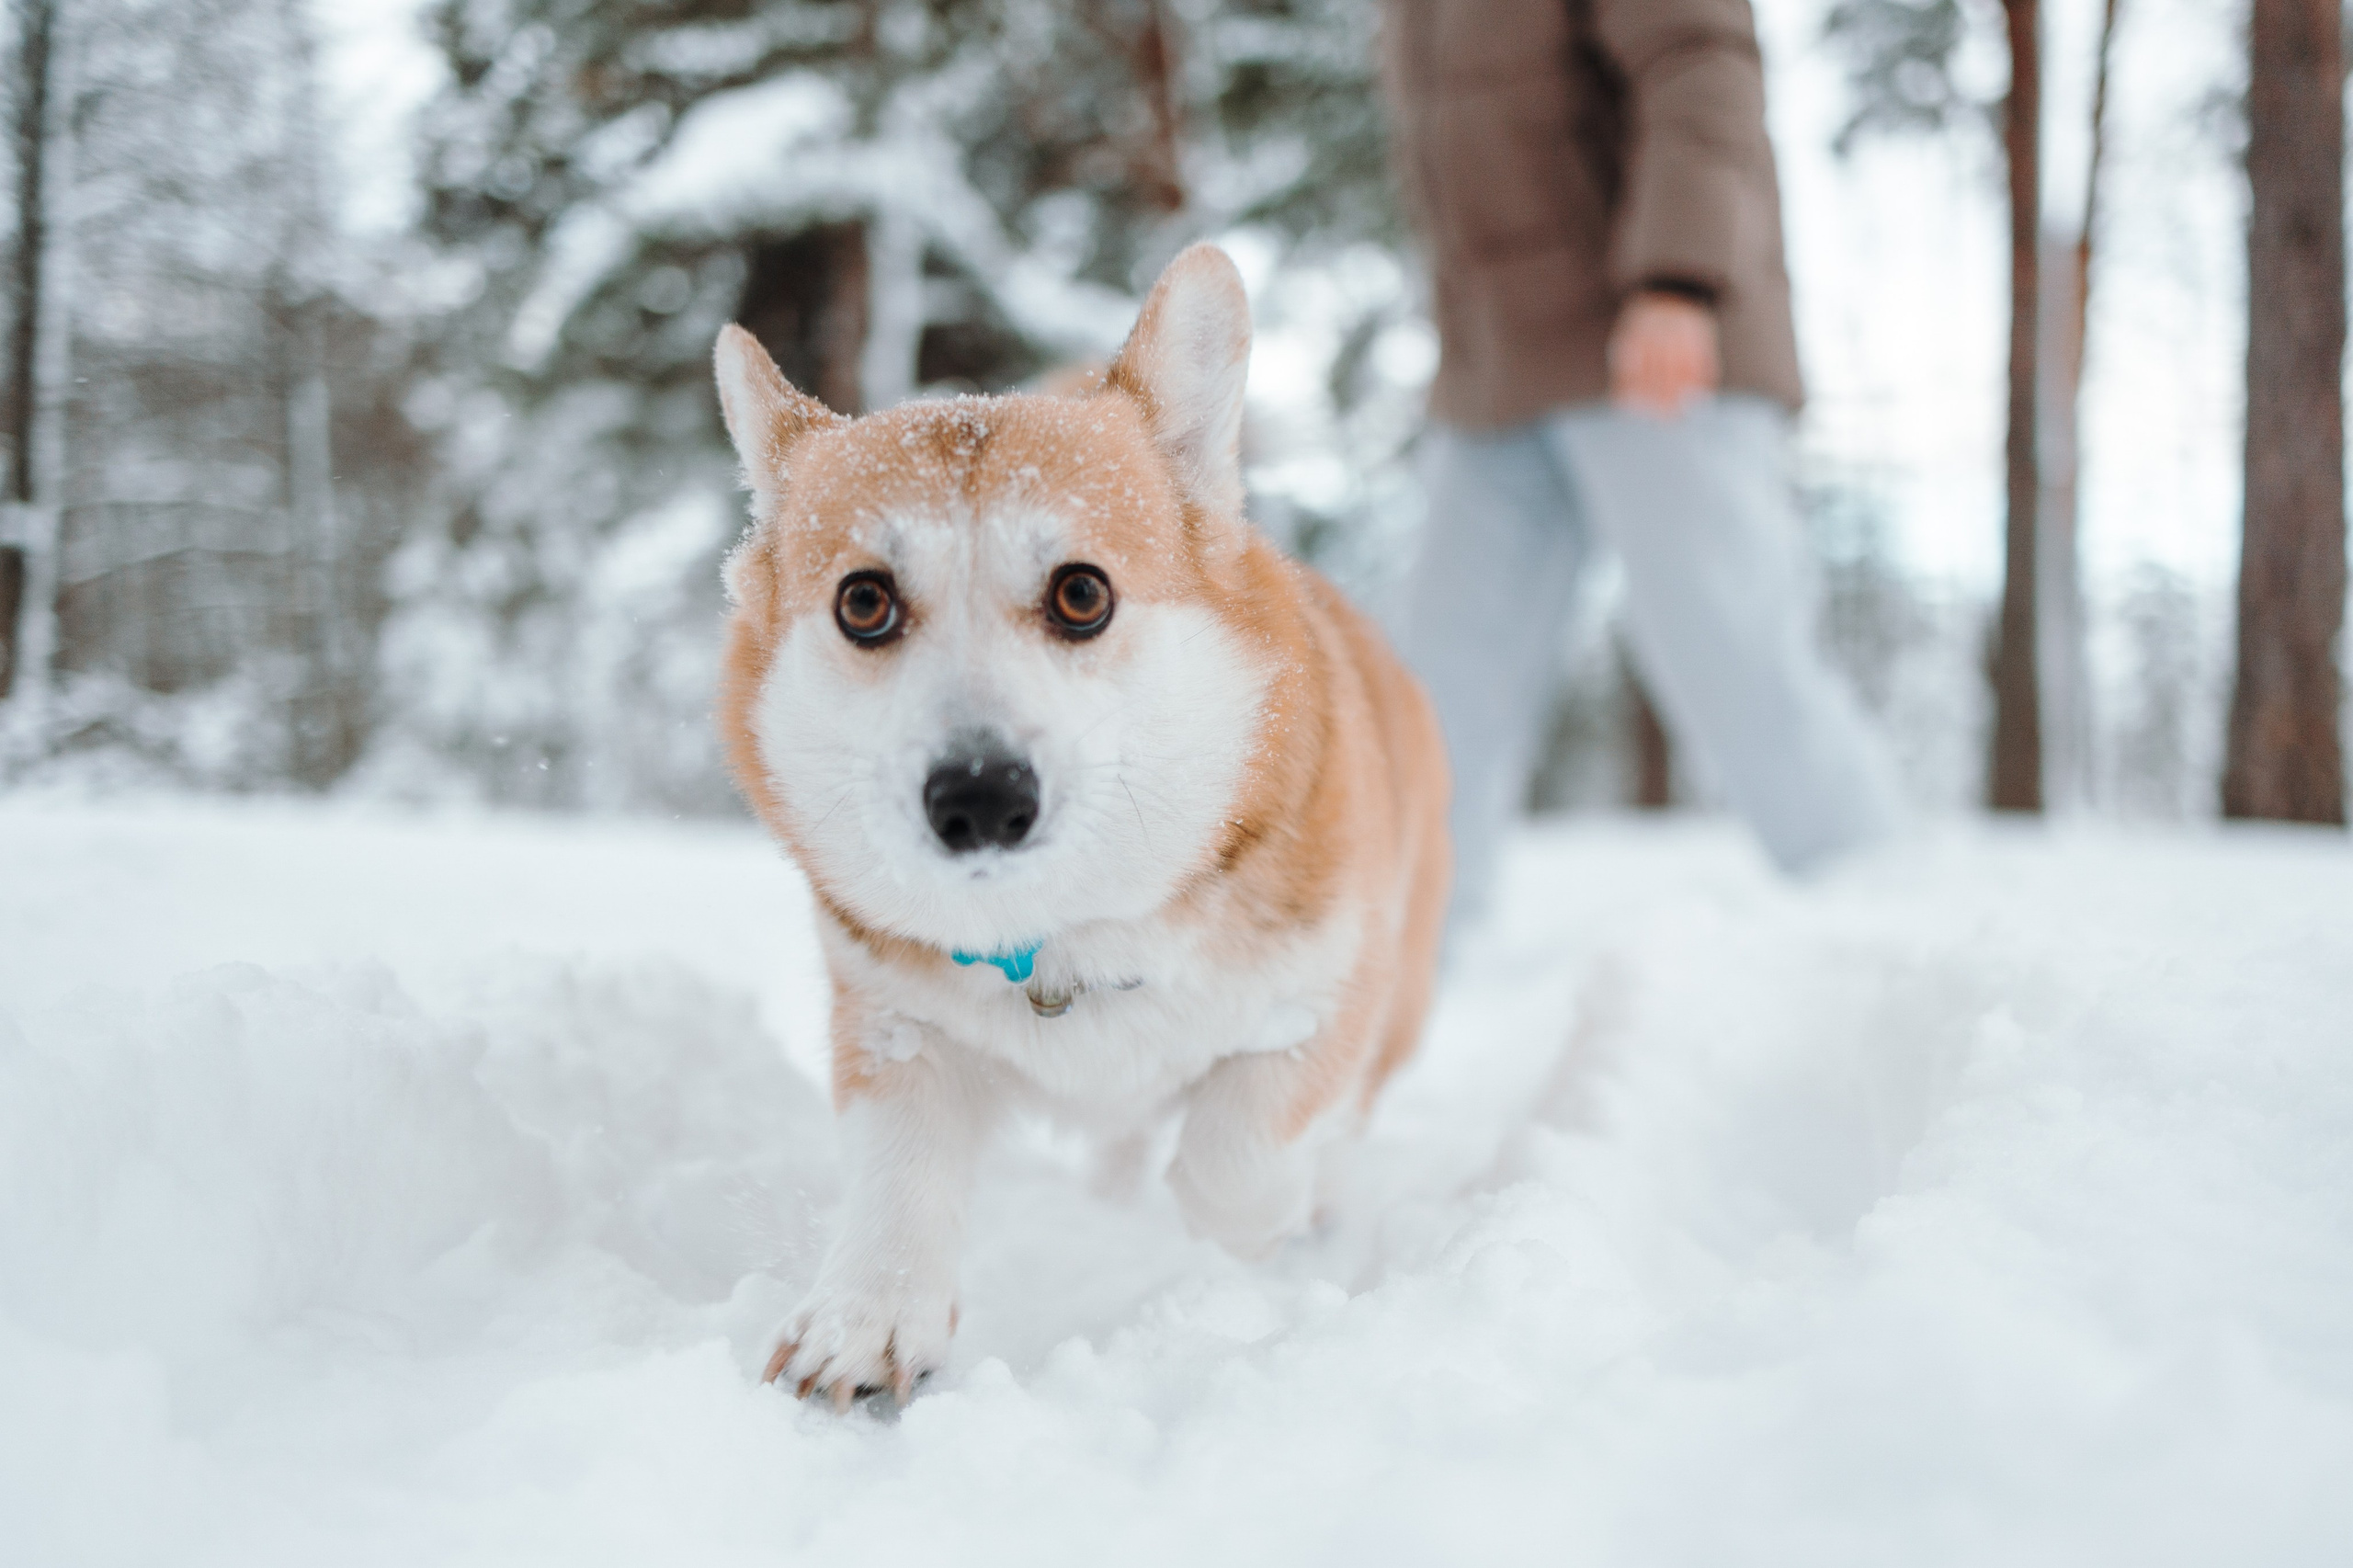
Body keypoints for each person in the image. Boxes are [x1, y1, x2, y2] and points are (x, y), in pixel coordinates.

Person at [1380, 0, 1904, 921]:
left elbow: (1700, 62)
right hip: (1498, 363)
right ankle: (1404, 979)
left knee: (1732, 655)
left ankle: (1892, 929)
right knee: (1437, 689)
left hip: (1650, 335)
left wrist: (1676, 279)